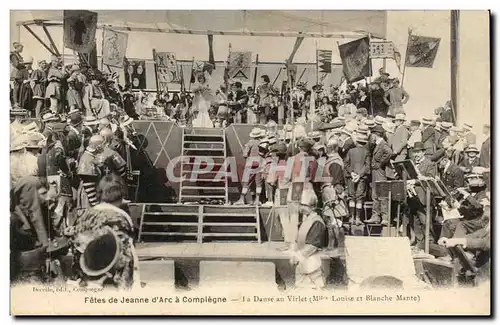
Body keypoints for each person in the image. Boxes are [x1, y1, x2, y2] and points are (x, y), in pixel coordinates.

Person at [289, 187, 327, 289]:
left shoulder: (317, 222)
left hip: (313, 266)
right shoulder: (307, 220)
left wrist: (297, 256)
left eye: (302, 205)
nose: (300, 208)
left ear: (311, 206)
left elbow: (313, 245)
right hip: (303, 265)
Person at [405, 142, 438, 251]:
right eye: (414, 152)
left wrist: (415, 181)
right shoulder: (412, 163)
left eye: (418, 152)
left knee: (426, 222)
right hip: (413, 197)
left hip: (424, 197)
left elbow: (430, 179)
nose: (416, 154)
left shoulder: (430, 164)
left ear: (423, 152)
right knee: (415, 221)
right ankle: (420, 245)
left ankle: (431, 245)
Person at [365, 125, 393, 225]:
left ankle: (385, 217)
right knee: (375, 194)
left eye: (372, 134)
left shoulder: (382, 144)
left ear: (375, 135)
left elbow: (389, 152)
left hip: (380, 171)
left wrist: (381, 163)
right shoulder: (377, 144)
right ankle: (375, 216)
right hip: (376, 171)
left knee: (382, 193)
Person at [76, 135, 105, 216]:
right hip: (88, 199)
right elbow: (88, 183)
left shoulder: (89, 156)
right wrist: (95, 203)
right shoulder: (87, 159)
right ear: (98, 147)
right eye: (103, 144)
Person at [345, 133, 370, 225]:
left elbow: (346, 164)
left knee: (351, 196)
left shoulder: (350, 151)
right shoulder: (367, 152)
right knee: (359, 197)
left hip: (351, 177)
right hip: (361, 177)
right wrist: (359, 175)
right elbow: (367, 167)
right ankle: (358, 218)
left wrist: (352, 173)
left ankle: (351, 217)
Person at [235, 128, 266, 205]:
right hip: (260, 163)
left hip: (250, 163)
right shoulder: (262, 143)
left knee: (246, 182)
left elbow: (245, 154)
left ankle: (242, 199)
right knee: (258, 183)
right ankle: (257, 199)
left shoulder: (250, 143)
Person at [10, 42, 24, 108]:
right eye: (21, 47)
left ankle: (18, 102)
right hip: (16, 74)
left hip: (20, 74)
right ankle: (15, 103)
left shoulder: (18, 55)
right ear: (17, 47)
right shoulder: (14, 55)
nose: (22, 49)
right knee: (16, 89)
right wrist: (24, 64)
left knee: (19, 89)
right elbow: (16, 64)